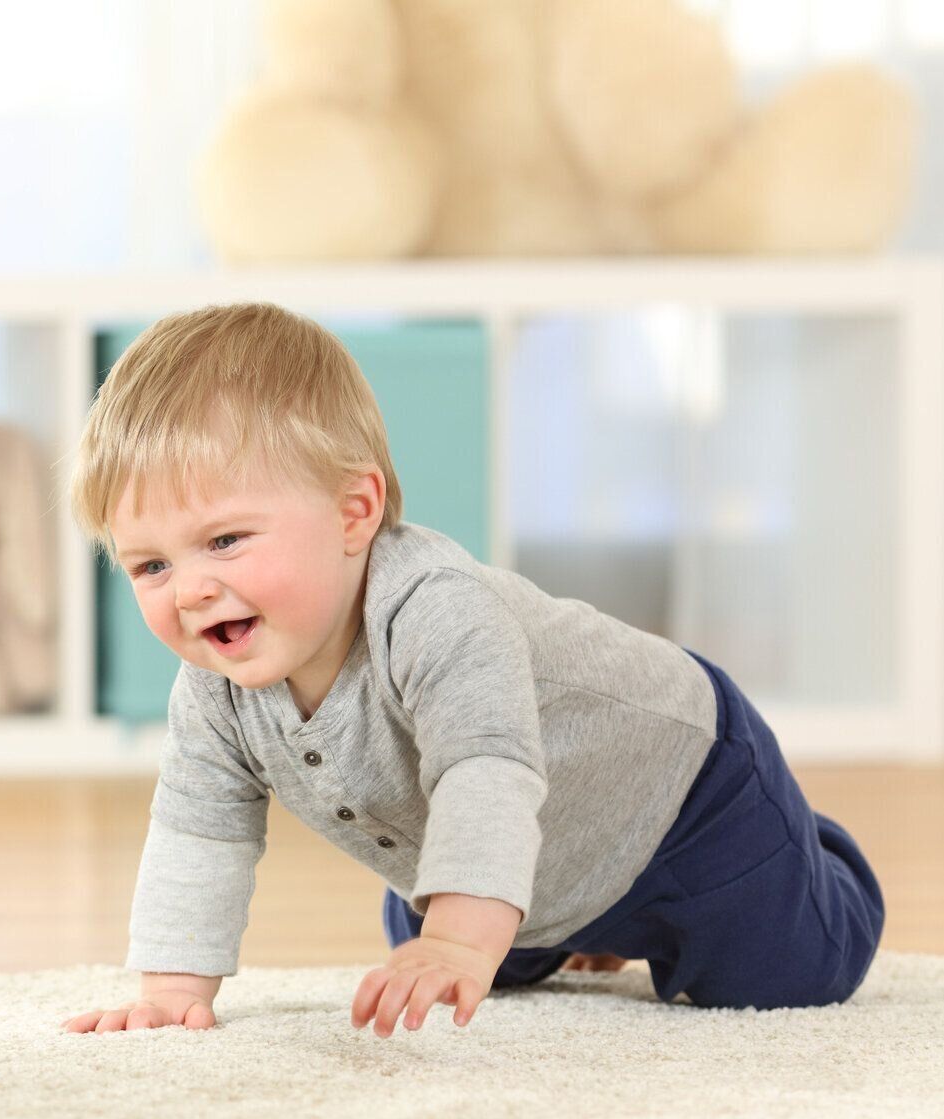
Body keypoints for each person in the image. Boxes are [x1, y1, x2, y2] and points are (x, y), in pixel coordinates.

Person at [61, 302, 885, 1038]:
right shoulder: (213, 692)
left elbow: (484, 770)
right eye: (150, 566)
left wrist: (456, 938)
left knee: (784, 976)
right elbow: (198, 829)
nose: (191, 590)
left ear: (353, 513)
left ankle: (805, 847)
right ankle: (568, 920)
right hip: (537, 846)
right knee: (434, 947)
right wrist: (172, 988)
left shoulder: (434, 610)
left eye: (224, 541)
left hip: (684, 795)